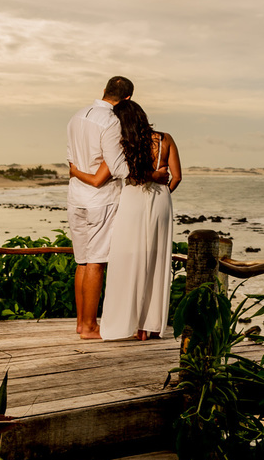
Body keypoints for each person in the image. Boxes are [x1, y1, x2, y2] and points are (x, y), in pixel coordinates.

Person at [69, 100, 182, 340]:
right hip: (161, 201)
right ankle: (150, 326)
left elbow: (122, 174)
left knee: (128, 260)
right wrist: (163, 195)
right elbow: (177, 177)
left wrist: (75, 171)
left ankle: (127, 323)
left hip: (131, 201)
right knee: (156, 259)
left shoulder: (125, 144)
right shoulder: (165, 138)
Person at [66, 76, 133, 339]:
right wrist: (137, 169)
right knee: (96, 262)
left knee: (82, 261)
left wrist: (78, 172)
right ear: (127, 98)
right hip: (101, 199)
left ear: (104, 90)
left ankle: (81, 323)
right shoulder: (112, 121)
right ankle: (90, 326)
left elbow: (71, 161)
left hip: (76, 196)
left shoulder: (76, 116)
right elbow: (116, 167)